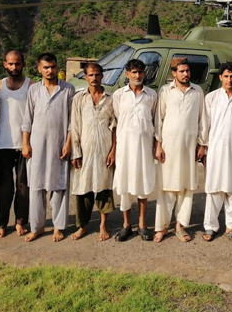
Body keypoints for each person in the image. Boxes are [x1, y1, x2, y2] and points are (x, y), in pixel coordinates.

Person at [21, 53, 75, 242]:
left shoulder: (68, 89)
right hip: (37, 145)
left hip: (59, 145)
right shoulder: (34, 90)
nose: (50, 71)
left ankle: (59, 227)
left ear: (57, 67)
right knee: (36, 186)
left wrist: (68, 143)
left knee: (59, 185)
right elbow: (27, 119)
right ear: (39, 69)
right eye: (46, 67)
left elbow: (72, 121)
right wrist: (25, 144)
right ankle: (37, 227)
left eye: (52, 67)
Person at [154, 58, 208, 243]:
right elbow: (158, 119)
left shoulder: (197, 91)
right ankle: (161, 227)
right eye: (182, 71)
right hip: (169, 147)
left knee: (186, 187)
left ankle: (180, 226)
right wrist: (158, 145)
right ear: (173, 73)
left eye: (187, 71)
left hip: (189, 147)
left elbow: (203, 120)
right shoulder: (165, 91)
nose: (186, 74)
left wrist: (202, 144)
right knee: (166, 187)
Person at [111, 59, 158, 242]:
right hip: (124, 149)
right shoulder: (119, 95)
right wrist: (114, 149)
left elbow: (155, 121)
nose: (137, 76)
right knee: (124, 188)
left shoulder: (151, 95)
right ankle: (126, 226)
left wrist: (156, 145)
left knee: (143, 186)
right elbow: (116, 122)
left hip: (144, 149)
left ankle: (142, 226)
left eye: (140, 72)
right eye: (133, 72)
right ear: (127, 74)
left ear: (144, 74)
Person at [202, 62, 232, 243]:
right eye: (226, 76)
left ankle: (231, 227)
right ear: (220, 77)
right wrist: (204, 148)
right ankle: (210, 226)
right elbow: (204, 126)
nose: (229, 80)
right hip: (215, 150)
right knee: (214, 188)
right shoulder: (211, 98)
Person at [70, 62, 115, 241]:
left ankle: (103, 225)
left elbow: (115, 127)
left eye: (97, 75)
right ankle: (83, 226)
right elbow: (75, 126)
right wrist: (76, 152)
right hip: (85, 150)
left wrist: (113, 151)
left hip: (104, 149)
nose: (94, 78)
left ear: (102, 76)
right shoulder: (79, 99)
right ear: (85, 77)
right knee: (83, 190)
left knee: (104, 188)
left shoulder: (110, 99)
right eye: (90, 75)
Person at [0, 50, 32, 238]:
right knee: (3, 187)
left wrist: (30, 142)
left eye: (17, 63)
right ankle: (1, 223)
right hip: (3, 144)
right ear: (4, 65)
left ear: (23, 64)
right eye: (11, 64)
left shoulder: (32, 85)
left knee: (24, 187)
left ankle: (20, 221)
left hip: (25, 144)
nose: (14, 67)